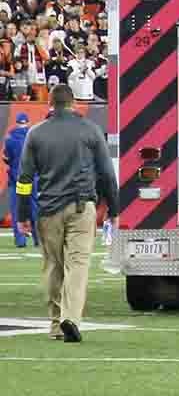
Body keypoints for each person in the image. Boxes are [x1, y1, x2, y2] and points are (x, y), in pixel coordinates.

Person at [18, 87, 117, 342]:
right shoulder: (90, 130)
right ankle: (70, 317)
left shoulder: (35, 133)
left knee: (53, 266)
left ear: (49, 103)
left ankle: (54, 324)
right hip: (82, 206)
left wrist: (22, 214)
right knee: (78, 265)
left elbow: (25, 179)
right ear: (73, 103)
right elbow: (107, 173)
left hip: (48, 209)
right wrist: (114, 210)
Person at [5, 111, 33, 248]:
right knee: (34, 208)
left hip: (16, 179)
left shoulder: (10, 138)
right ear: (27, 122)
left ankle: (20, 240)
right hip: (32, 178)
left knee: (17, 210)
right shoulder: (33, 136)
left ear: (16, 122)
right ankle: (38, 239)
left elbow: (6, 157)